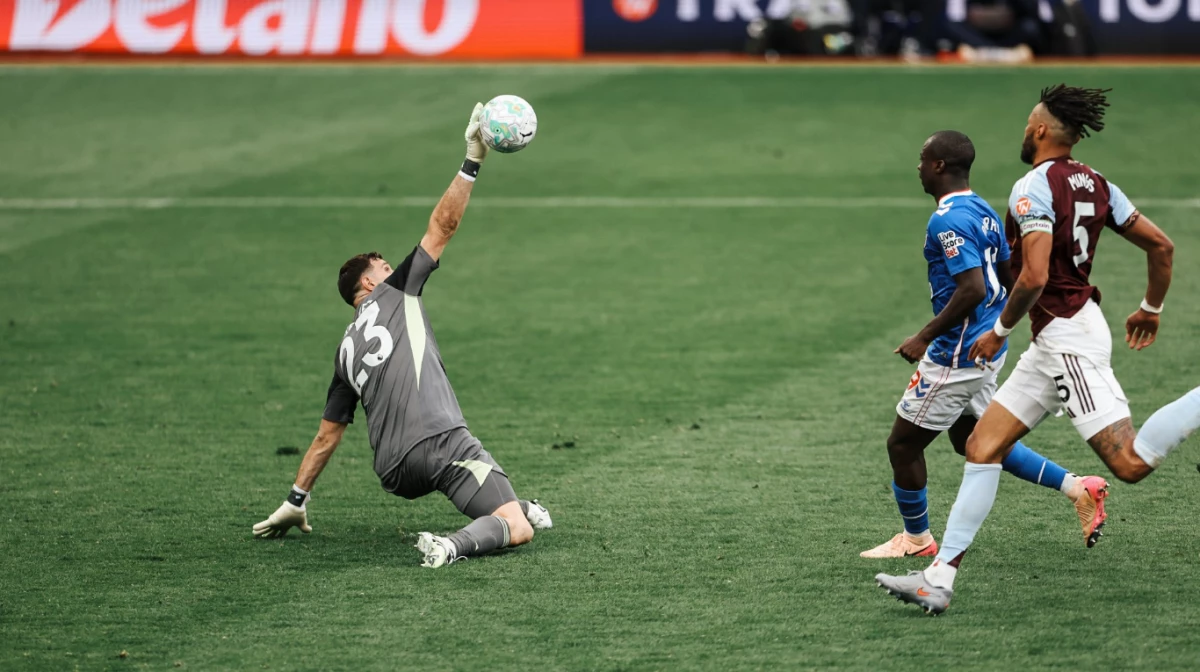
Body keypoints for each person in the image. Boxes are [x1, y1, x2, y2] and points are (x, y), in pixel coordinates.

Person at [877, 85, 1200, 614]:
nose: (1024, 131)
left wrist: (1000, 329)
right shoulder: (1099, 183)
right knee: (981, 446)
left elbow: (1032, 275)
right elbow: (1161, 246)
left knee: (1130, 462)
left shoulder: (1032, 187)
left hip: (1067, 335)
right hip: (1055, 339)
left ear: (1043, 131)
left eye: (1029, 123)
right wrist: (1151, 307)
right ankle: (939, 580)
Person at [252, 103, 552, 568]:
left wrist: (296, 499)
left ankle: (515, 502)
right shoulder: (395, 294)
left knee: (506, 499)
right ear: (369, 286)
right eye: (385, 268)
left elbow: (327, 436)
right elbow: (442, 227)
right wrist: (472, 160)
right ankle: (453, 545)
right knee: (517, 526)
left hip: (395, 470)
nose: (395, 271)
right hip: (439, 443)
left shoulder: (344, 353)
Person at [862, 130, 1107, 560]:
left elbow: (972, 288)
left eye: (922, 159)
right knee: (974, 438)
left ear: (939, 166)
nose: (917, 167)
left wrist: (924, 336)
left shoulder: (947, 219)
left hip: (957, 354)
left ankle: (917, 540)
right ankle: (1078, 488)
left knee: (902, 444)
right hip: (988, 347)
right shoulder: (984, 211)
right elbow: (1010, 274)